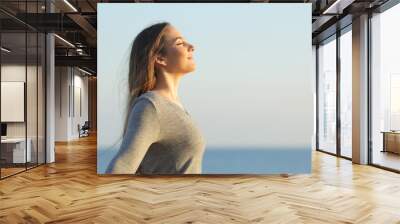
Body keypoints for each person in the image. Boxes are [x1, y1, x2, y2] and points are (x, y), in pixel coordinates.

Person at [106, 22, 206, 174]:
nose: (191, 46)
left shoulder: (173, 105)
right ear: (160, 58)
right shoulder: (151, 106)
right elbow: (122, 166)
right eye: (180, 43)